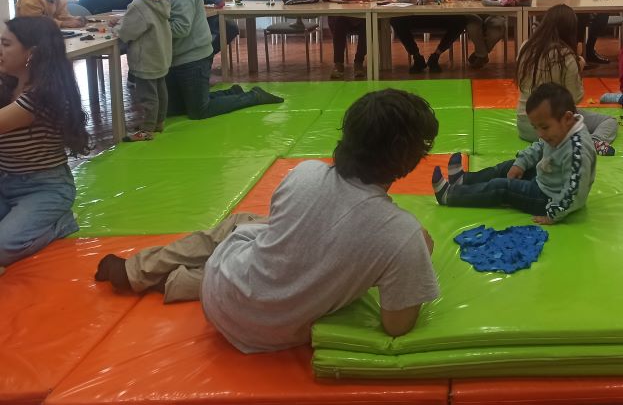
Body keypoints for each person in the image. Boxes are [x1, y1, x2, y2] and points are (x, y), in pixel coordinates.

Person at [95, 89, 440, 350]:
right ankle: (153, 276)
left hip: (224, 301)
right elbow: (397, 325)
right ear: (411, 160)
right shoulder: (403, 236)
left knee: (241, 224)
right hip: (267, 330)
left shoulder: (304, 173)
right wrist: (403, 260)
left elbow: (287, 235)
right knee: (255, 230)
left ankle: (139, 271)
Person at [120, 0, 282, 118]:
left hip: (192, 58)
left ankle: (253, 96)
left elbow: (181, 28)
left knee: (199, 111)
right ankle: (233, 92)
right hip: (174, 58)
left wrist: (147, 29)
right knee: (172, 111)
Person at [432, 82, 596, 225]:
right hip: (547, 178)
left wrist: (553, 214)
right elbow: (539, 147)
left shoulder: (577, 152)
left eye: (544, 127)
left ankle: (450, 195)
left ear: (567, 118)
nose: (540, 134)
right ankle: (463, 180)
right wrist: (521, 163)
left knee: (502, 187)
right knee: (507, 167)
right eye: (536, 127)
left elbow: (575, 193)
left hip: (548, 199)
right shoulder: (558, 131)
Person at [0, 17, 88, 271]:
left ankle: (61, 222)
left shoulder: (41, 96)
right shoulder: (10, 82)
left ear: (31, 53)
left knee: (3, 248)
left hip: (44, 188)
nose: (0, 51)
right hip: (6, 182)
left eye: (6, 44)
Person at [514, 4, 617, 155]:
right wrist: (579, 68)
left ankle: (574, 141)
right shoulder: (566, 56)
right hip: (554, 128)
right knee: (609, 122)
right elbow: (574, 99)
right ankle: (592, 141)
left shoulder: (525, 46)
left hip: (524, 124)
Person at [109, 0, 172, 141]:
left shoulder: (138, 4)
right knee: (161, 91)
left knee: (147, 96)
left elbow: (126, 32)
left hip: (146, 59)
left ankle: (146, 130)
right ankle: (158, 123)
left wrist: (115, 27)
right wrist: (123, 20)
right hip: (161, 55)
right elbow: (145, 22)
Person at [324, 0, 391, 78]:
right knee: (338, 22)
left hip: (365, 17)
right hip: (346, 17)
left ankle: (359, 63)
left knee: (369, 24)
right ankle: (338, 64)